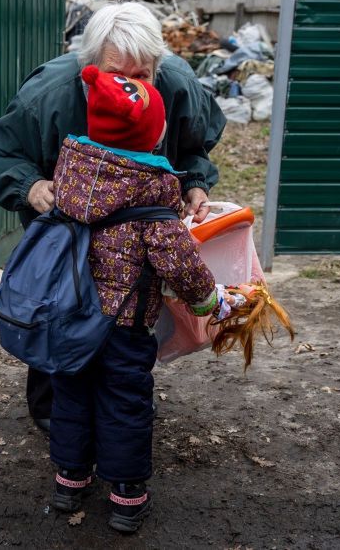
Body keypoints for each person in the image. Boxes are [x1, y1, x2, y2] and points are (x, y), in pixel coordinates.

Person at [0, 2, 227, 432]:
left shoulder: (177, 84)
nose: (132, 92)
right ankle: (53, 414)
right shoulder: (49, 94)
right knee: (62, 316)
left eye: (142, 76)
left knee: (128, 326)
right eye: (117, 75)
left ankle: (120, 410)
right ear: (89, 67)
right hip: (64, 241)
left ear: (158, 67)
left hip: (135, 245)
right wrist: (32, 188)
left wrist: (194, 184)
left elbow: (194, 147)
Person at [48, 64, 230, 533]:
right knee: (125, 402)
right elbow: (180, 263)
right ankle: (126, 494)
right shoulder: (154, 191)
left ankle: (68, 480)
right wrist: (211, 301)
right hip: (124, 325)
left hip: (70, 314)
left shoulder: (71, 172)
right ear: (153, 137)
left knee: (71, 394)